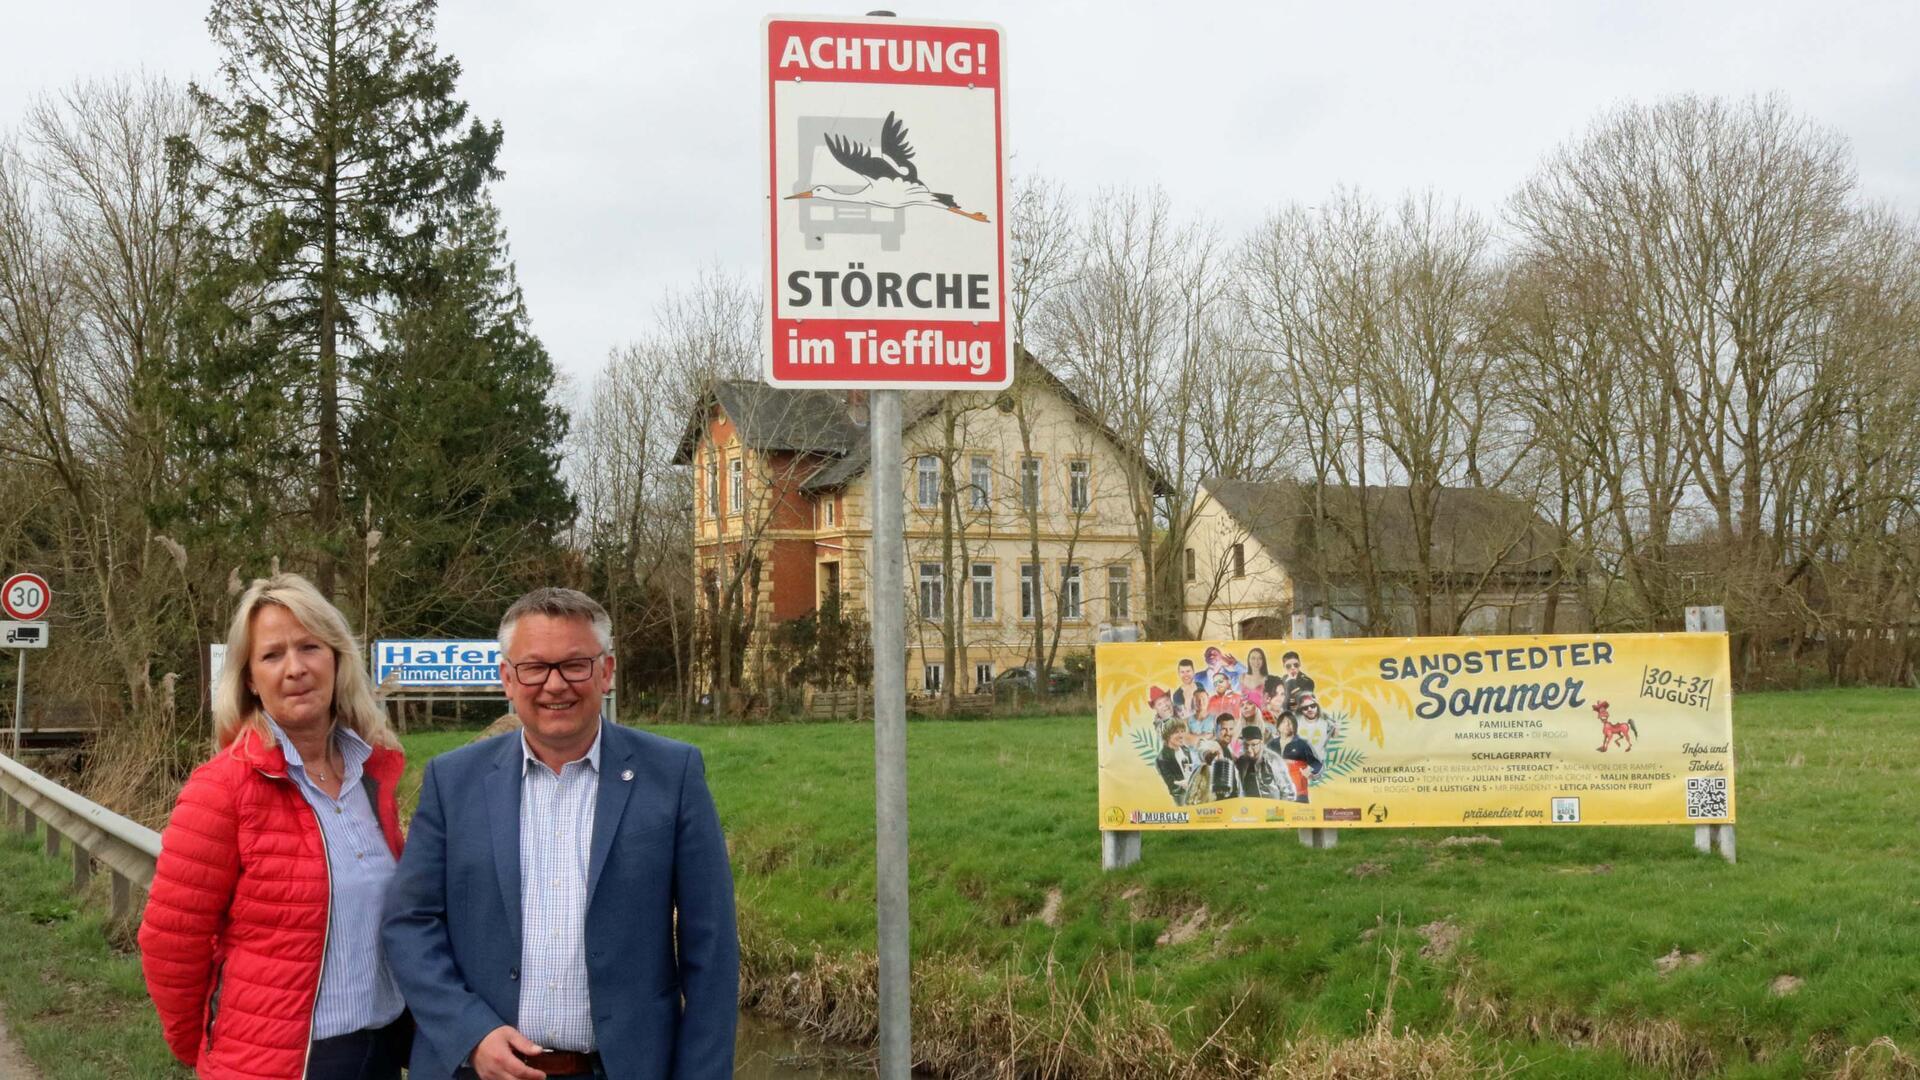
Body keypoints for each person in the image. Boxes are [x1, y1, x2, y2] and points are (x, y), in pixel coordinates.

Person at [383, 588, 738, 1080]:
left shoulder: (673, 775)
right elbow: (409, 923)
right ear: (508, 678)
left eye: (576, 665)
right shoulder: (453, 781)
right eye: (534, 667)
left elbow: (712, 947)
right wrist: (470, 1033)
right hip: (476, 1070)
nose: (555, 685)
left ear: (606, 672)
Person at [140, 573, 410, 1080]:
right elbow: (172, 943)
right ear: (248, 678)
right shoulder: (223, 789)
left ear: (336, 658)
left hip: (380, 1051)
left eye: (310, 646)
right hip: (274, 1063)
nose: (295, 669)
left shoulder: (376, 774)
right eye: (272, 655)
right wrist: (205, 1044)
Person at [1275, 713, 1324, 802]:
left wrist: (1310, 771)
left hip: (1299, 794)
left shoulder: (1302, 744)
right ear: (1278, 726)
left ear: (1295, 727)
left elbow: (1317, 764)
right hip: (1277, 794)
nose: (1287, 725)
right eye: (1284, 722)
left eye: (1290, 723)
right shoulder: (1271, 744)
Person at [1233, 723, 1286, 800]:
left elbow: (1286, 789)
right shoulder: (1241, 762)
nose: (1249, 749)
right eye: (1246, 745)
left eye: (1253, 745)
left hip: (1271, 807)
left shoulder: (1273, 760)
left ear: (1261, 743)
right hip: (1249, 807)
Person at [1155, 720, 1194, 804]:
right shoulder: (1162, 758)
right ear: (1167, 735)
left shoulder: (1186, 750)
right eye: (1176, 732)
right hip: (1180, 798)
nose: (1181, 735)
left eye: (1182, 731)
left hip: (1193, 793)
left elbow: (1191, 771)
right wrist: (1184, 785)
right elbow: (1172, 786)